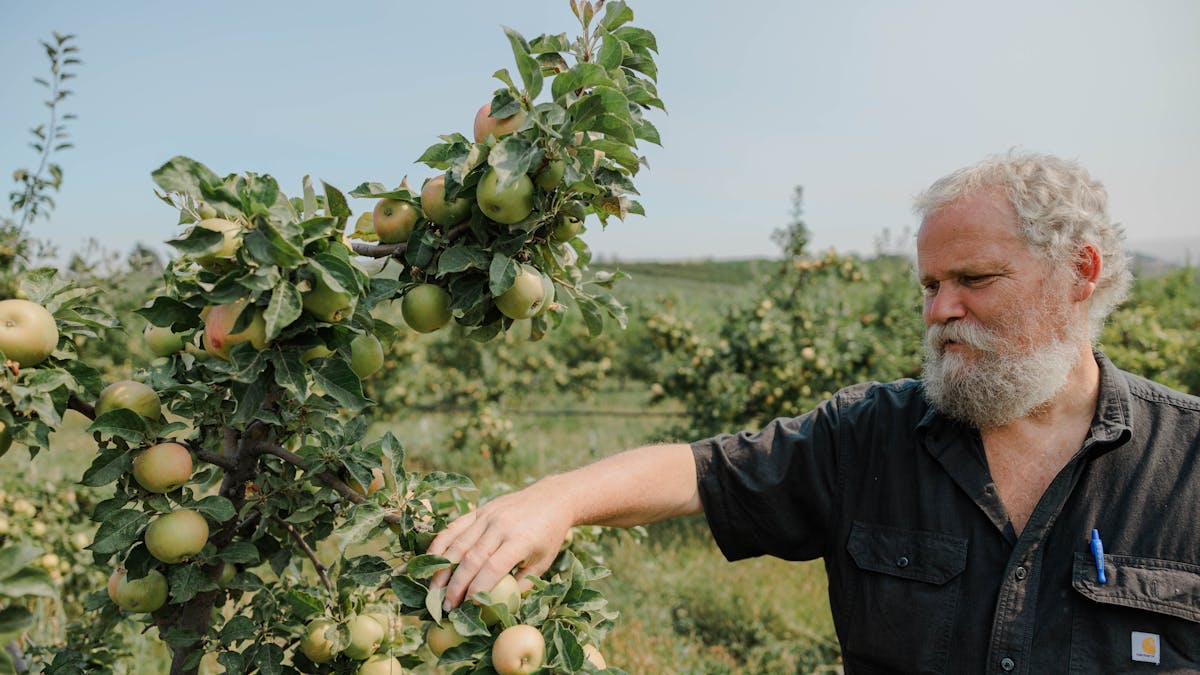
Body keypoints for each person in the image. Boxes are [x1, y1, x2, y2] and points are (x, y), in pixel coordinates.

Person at [428, 152, 1200, 673]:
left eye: (974, 278)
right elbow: (702, 470)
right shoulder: (872, 435)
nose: (941, 310)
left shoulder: (1187, 465)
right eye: (929, 286)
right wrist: (557, 498)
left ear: (1080, 273)